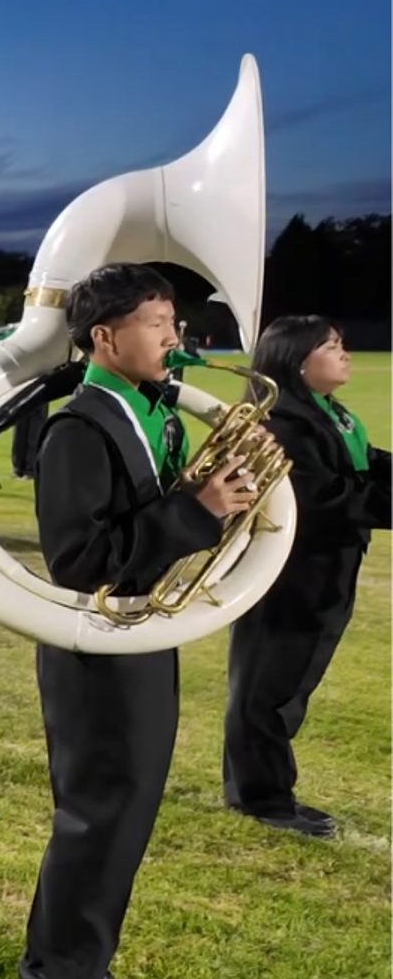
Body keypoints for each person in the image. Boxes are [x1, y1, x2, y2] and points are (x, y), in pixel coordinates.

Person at [18, 264, 263, 979]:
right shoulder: (77, 429)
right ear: (104, 337)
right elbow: (78, 560)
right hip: (97, 647)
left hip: (142, 637)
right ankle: (60, 968)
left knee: (124, 818)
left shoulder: (149, 412)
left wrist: (209, 499)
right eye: (157, 324)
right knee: (98, 818)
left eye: (173, 323)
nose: (173, 338)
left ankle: (77, 960)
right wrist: (196, 511)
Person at [222, 316, 390, 838]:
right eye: (331, 346)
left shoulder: (327, 414)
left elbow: (363, 465)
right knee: (266, 688)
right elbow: (322, 499)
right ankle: (261, 798)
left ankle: (268, 790)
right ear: (297, 361)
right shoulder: (280, 423)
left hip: (325, 570)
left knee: (288, 685)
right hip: (291, 574)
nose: (344, 353)